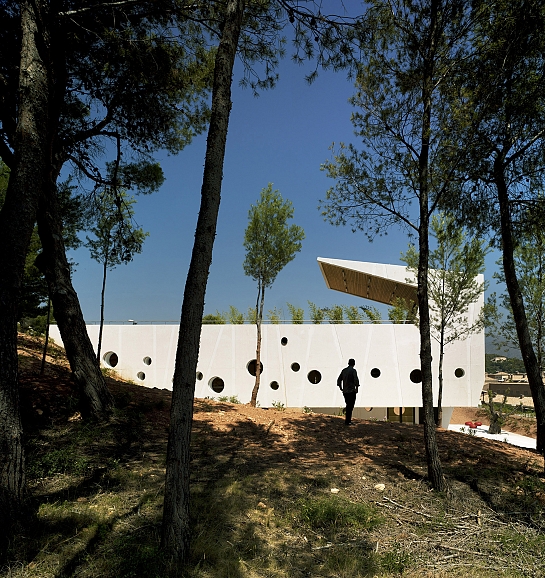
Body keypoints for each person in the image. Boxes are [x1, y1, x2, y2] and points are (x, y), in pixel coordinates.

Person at [337, 358, 359, 426]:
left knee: (348, 405)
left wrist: (341, 388)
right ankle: (348, 421)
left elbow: (339, 379)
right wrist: (357, 388)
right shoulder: (353, 371)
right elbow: (356, 380)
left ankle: (347, 420)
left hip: (345, 391)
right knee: (350, 406)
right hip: (351, 391)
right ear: (354, 363)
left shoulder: (344, 371)